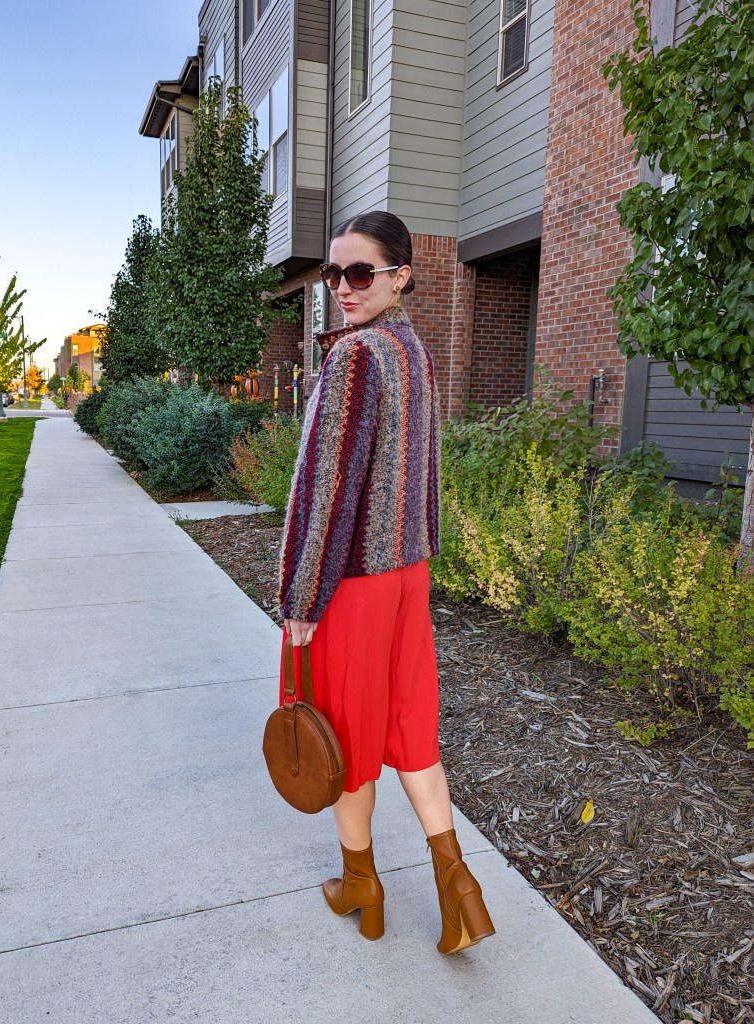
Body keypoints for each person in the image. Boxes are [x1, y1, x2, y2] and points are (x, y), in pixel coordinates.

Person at [277, 211, 494, 954]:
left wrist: (302, 597)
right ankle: (458, 887)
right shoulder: (413, 351)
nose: (342, 287)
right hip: (406, 575)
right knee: (409, 726)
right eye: (332, 273)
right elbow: (423, 471)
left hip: (351, 586)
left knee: (344, 738)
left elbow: (329, 490)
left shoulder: (356, 356)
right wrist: (419, 548)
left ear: (400, 277)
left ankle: (361, 885)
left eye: (360, 273)